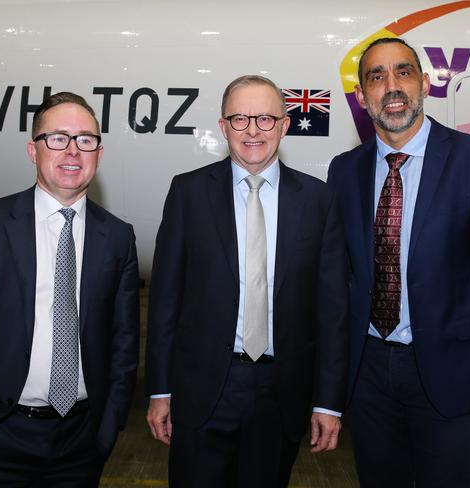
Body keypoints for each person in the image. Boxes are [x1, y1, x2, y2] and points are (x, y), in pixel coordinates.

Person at [327, 38, 470, 488]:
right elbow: (340, 272)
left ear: (425, 84)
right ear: (362, 98)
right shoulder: (344, 171)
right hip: (369, 373)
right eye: (376, 76)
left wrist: (460, 333)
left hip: (446, 370)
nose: (390, 85)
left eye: (403, 71)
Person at [0, 92, 140, 486]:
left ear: (99, 153)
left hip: (80, 441)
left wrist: (110, 422)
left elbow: (123, 340)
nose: (72, 150)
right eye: (57, 138)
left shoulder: (117, 237)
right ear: (33, 150)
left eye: (85, 140)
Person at [145, 75, 348, 487]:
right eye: (240, 119)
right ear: (223, 127)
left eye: (265, 119)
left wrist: (329, 402)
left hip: (282, 392)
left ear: (285, 125)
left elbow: (332, 311)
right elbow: (165, 301)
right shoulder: (188, 193)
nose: (253, 130)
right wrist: (159, 390)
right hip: (203, 390)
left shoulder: (318, 200)